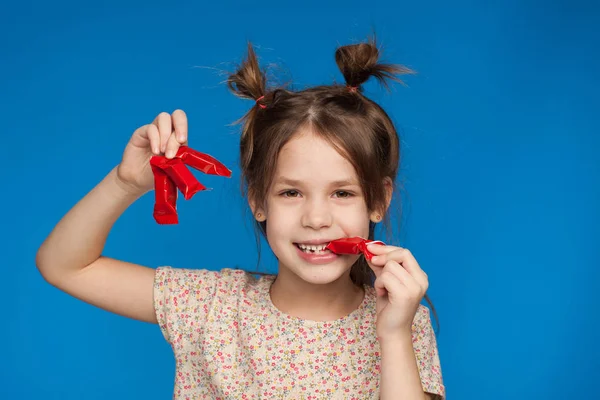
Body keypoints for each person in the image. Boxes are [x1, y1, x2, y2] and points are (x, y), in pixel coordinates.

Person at [36, 36, 445, 399]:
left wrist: (394, 334)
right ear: (257, 200)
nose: (317, 218)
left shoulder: (403, 323)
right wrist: (125, 184)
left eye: (342, 193)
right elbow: (66, 266)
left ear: (379, 200)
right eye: (290, 192)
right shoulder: (209, 306)